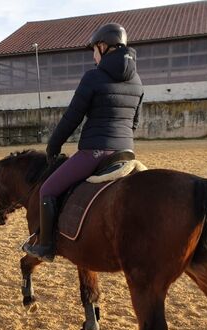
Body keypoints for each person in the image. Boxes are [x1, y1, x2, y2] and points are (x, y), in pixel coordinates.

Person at [23, 23, 144, 262]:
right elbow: (135, 122)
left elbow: (73, 116)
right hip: (126, 153)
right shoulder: (137, 80)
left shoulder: (93, 77)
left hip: (95, 153)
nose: (93, 55)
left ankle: (46, 246)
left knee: (47, 189)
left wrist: (54, 145)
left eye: (94, 50)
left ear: (104, 46)